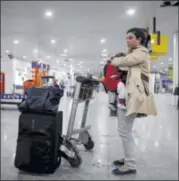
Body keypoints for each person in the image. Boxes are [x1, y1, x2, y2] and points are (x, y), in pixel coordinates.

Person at [110, 27, 157, 175]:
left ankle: (130, 164)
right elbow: (124, 64)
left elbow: (120, 62)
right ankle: (127, 158)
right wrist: (119, 61)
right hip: (129, 95)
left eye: (131, 37)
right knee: (125, 130)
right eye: (127, 38)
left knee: (124, 131)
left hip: (133, 96)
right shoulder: (134, 54)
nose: (127, 40)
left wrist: (114, 60)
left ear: (139, 39)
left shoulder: (141, 52)